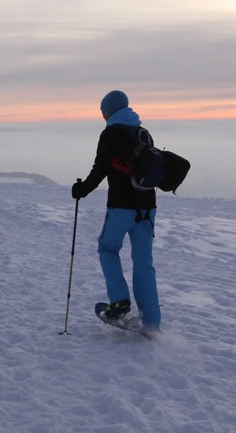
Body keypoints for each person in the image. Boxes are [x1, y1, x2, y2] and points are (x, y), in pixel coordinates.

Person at [71, 90, 161, 332]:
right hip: (147, 208)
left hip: (121, 206)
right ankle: (152, 321)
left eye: (103, 110)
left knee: (107, 248)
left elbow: (100, 168)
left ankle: (119, 301)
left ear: (110, 110)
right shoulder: (143, 133)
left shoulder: (111, 133)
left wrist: (82, 189)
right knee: (144, 262)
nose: (102, 114)